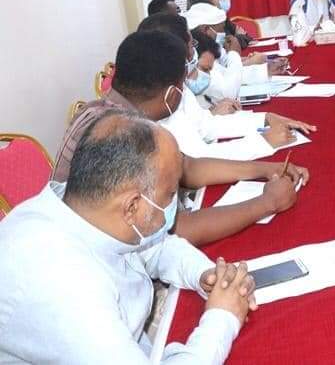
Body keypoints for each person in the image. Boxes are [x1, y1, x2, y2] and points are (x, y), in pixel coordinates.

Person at [0, 111, 256, 363]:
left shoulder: (91, 203)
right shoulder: (64, 285)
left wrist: (203, 274)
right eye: (170, 195)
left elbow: (155, 246)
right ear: (132, 206)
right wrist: (222, 318)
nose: (173, 203)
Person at [52, 30, 308, 247]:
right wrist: (267, 203)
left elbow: (188, 168)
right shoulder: (122, 136)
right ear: (172, 94)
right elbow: (177, 231)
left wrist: (265, 169)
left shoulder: (107, 112)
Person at [136, 13, 314, 161]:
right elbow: (197, 160)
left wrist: (265, 119)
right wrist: (263, 142)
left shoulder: (175, 83)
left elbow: (206, 125)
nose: (194, 52)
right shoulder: (162, 97)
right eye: (191, 45)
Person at [187, 0, 252, 48]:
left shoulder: (223, 20)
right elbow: (225, 46)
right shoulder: (194, 31)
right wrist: (239, 37)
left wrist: (237, 39)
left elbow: (246, 37)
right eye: (216, 8)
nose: (220, 11)